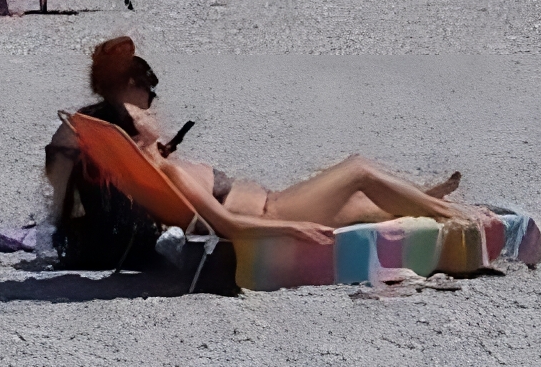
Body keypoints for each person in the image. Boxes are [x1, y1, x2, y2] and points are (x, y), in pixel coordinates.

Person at [42, 38, 473, 265]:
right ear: (137, 130)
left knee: (367, 203)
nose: (155, 112)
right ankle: (454, 217)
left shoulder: (157, 169)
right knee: (358, 169)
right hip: (275, 214)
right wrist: (291, 233)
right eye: (146, 109)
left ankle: (426, 199)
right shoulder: (167, 174)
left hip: (277, 203)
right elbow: (231, 226)